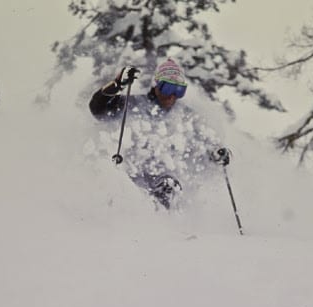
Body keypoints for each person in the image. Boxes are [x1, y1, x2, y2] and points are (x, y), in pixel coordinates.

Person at [88, 58, 229, 209]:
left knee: (169, 186)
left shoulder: (186, 116)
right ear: (156, 85)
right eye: (167, 88)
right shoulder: (133, 104)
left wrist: (216, 153)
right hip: (130, 175)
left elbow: (203, 142)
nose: (172, 95)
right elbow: (98, 109)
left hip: (162, 178)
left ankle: (166, 227)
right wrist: (117, 84)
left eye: (179, 90)